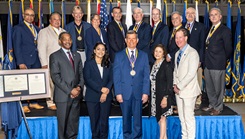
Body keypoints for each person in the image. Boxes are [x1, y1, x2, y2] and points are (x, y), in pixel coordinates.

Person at [113, 30, 150, 138]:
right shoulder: (119, 56)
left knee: (138, 120)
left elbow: (146, 76)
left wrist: (145, 92)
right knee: (126, 120)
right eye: (129, 38)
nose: (131, 41)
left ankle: (137, 137)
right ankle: (127, 136)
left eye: (134, 39)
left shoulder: (143, 55)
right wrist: (118, 92)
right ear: (125, 40)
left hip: (139, 93)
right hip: (124, 93)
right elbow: (116, 76)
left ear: (137, 40)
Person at [49, 32, 84, 139]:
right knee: (63, 126)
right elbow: (56, 77)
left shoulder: (77, 55)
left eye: (69, 39)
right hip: (63, 96)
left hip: (76, 96)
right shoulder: (54, 56)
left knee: (73, 125)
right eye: (65, 39)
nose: (68, 41)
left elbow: (81, 74)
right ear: (60, 41)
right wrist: (70, 91)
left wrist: (79, 88)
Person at [13, 8, 44, 113]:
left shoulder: (37, 29)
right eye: (27, 15)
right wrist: (20, 62)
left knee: (35, 82)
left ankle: (34, 102)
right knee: (24, 83)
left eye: (32, 15)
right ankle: (24, 104)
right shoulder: (18, 28)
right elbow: (17, 46)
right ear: (23, 15)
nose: (30, 17)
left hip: (36, 60)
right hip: (25, 60)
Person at [202, 8, 232, 115]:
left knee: (218, 88)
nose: (213, 16)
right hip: (208, 63)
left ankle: (218, 107)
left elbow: (228, 49)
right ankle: (212, 105)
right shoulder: (209, 29)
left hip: (218, 64)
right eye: (211, 15)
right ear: (209, 17)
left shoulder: (225, 30)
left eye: (216, 14)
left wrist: (222, 60)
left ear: (220, 17)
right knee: (209, 87)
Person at [173, 28, 200, 139]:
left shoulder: (193, 53)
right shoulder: (177, 53)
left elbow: (191, 73)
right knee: (181, 118)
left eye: (180, 37)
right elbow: (175, 71)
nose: (178, 40)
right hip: (178, 91)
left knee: (188, 117)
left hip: (188, 90)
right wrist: (175, 85)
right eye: (176, 37)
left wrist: (179, 86)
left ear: (186, 38)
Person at [84, 42, 113, 139]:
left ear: (105, 52)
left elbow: (111, 79)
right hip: (92, 97)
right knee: (95, 123)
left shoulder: (108, 64)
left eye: (103, 49)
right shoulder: (88, 63)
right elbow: (88, 80)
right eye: (98, 49)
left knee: (104, 123)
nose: (101, 51)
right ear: (94, 50)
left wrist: (106, 91)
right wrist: (101, 89)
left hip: (106, 97)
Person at [38, 12, 66, 110]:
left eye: (59, 19)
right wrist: (44, 63)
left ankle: (59, 100)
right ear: (50, 21)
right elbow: (41, 48)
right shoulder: (44, 32)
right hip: (50, 63)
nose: (57, 21)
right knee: (50, 83)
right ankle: (50, 102)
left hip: (62, 63)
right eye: (55, 19)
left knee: (60, 83)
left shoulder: (64, 31)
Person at [184, 7, 206, 110]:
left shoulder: (201, 27)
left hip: (196, 60)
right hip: (183, 60)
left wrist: (200, 60)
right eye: (188, 13)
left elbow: (202, 45)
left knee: (197, 81)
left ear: (195, 15)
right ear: (185, 15)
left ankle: (198, 100)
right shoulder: (182, 26)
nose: (190, 15)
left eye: (192, 13)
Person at [150, 44, 173, 139]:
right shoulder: (153, 64)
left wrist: (165, 97)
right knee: (159, 119)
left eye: (160, 51)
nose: (157, 53)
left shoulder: (166, 65)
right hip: (155, 96)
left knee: (162, 118)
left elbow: (169, 82)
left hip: (163, 96)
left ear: (164, 53)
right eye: (156, 51)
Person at [167, 11, 184, 114]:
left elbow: (180, 46)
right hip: (171, 63)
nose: (174, 20)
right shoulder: (171, 31)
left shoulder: (183, 31)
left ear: (181, 19)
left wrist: (170, 55)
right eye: (172, 19)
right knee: (172, 82)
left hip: (178, 61)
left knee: (178, 83)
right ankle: (173, 104)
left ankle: (179, 106)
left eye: (176, 18)